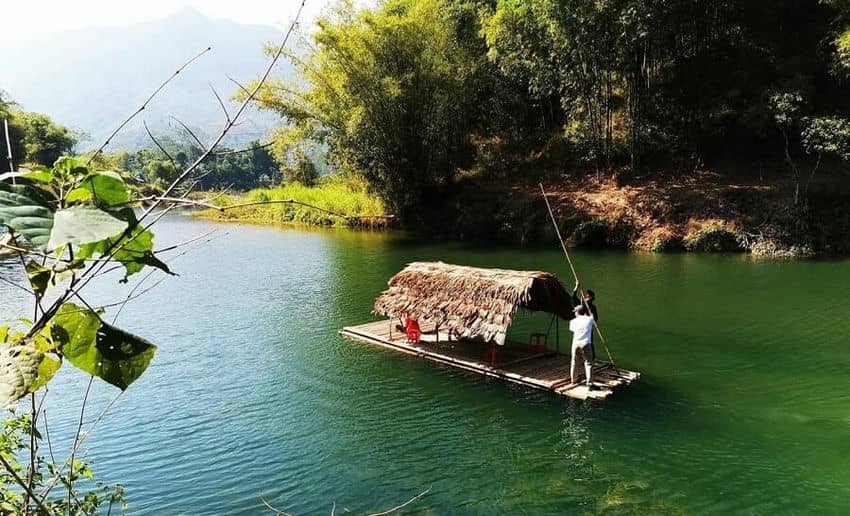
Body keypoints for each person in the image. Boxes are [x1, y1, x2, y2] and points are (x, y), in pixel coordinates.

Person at [569, 304, 595, 388]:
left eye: (575, 312)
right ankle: (589, 383)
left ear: (577, 312)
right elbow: (592, 315)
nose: (574, 313)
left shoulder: (572, 321)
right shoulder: (590, 319)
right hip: (586, 343)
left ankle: (573, 380)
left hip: (576, 343)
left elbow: (572, 330)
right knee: (588, 363)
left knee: (574, 362)